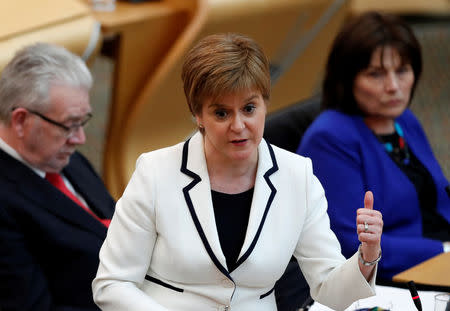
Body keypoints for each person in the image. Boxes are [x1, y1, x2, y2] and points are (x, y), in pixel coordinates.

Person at [92, 33, 383, 311]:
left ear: (265, 105)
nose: (239, 126)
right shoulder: (155, 173)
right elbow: (112, 283)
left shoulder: (298, 176)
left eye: (249, 108)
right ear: (198, 115)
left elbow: (329, 289)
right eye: (221, 113)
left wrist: (366, 256)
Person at [297, 11, 450, 282]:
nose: (393, 87)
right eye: (375, 74)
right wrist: (442, 251)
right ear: (348, 79)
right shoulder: (329, 138)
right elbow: (348, 243)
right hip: (397, 277)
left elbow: (437, 197)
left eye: (402, 71)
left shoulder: (403, 120)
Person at [0, 43, 115, 311]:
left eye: (83, 122)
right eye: (70, 124)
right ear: (20, 121)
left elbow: (110, 220)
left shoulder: (55, 151)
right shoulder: (5, 203)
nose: (80, 138)